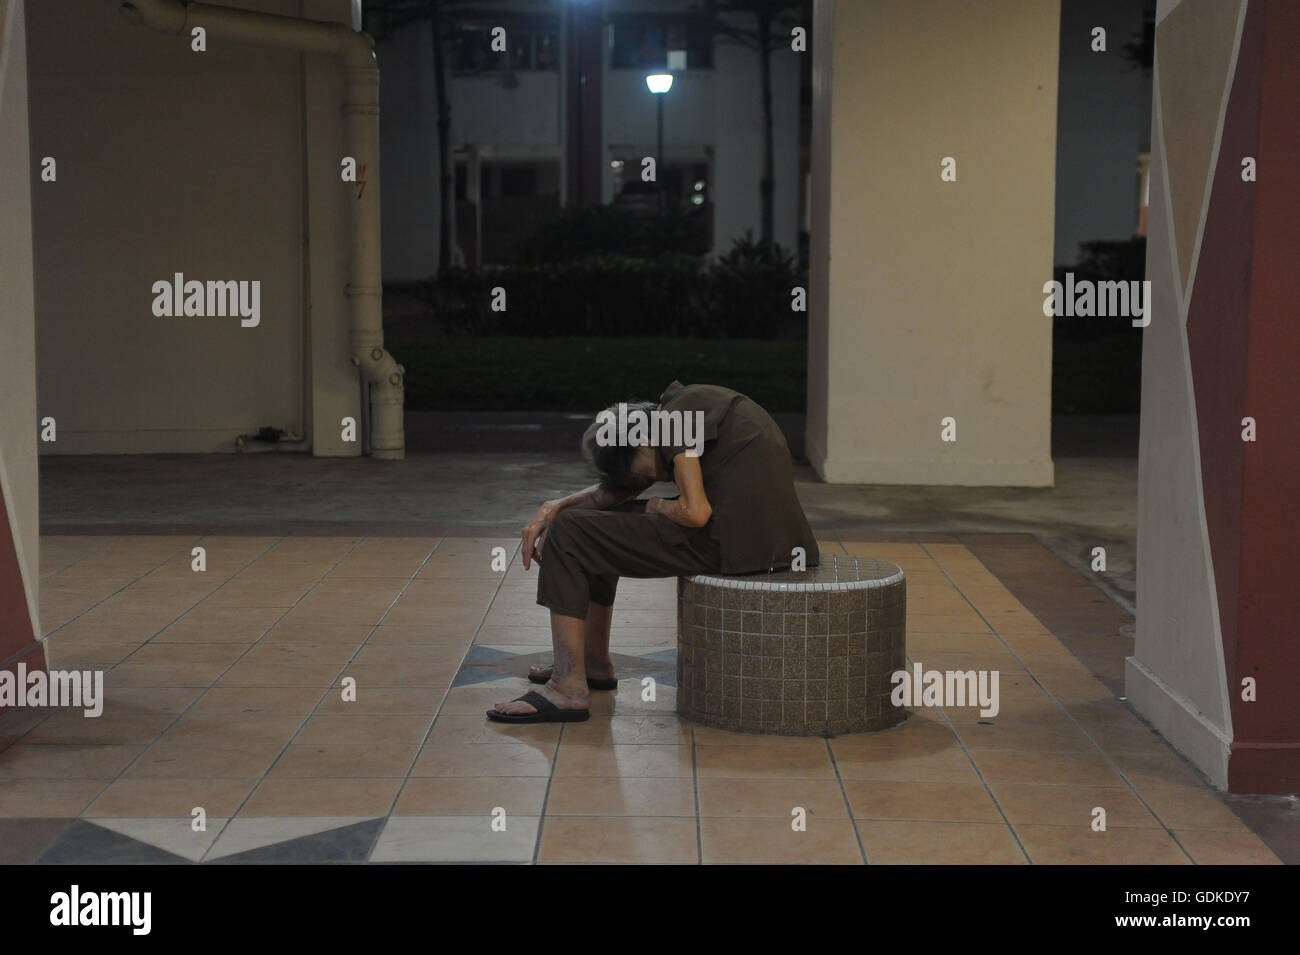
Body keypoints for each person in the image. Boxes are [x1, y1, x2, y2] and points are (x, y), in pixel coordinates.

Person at [487, 380, 819, 723]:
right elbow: (611, 496)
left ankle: (566, 686)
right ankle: (594, 662)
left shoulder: (671, 421)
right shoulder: (689, 407)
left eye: (642, 475)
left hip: (734, 546)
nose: (647, 483)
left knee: (571, 532)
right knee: (581, 522)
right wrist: (553, 506)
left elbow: (696, 512)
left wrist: (657, 504)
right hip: (765, 542)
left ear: (640, 441)